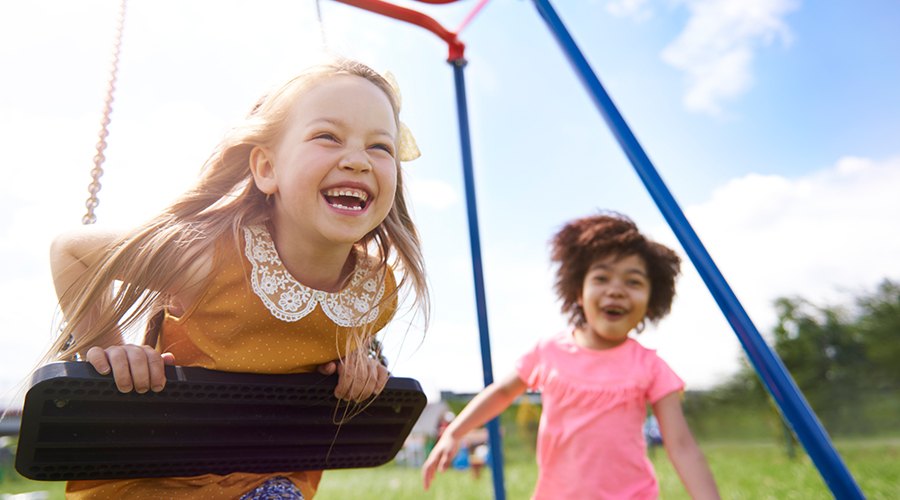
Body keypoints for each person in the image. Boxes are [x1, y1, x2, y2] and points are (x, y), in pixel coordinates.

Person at [42, 58, 429, 499]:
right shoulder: (213, 258)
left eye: (380, 146)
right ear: (266, 169)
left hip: (268, 478)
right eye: (327, 136)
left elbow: (332, 344)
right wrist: (111, 348)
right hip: (158, 475)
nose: (358, 161)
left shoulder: (373, 292)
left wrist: (359, 368)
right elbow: (71, 249)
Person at [422, 213, 719, 499]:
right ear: (579, 292)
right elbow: (501, 393)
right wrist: (455, 433)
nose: (616, 290)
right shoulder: (549, 352)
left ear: (651, 300)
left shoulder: (651, 367)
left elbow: (681, 445)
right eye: (602, 278)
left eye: (633, 282)